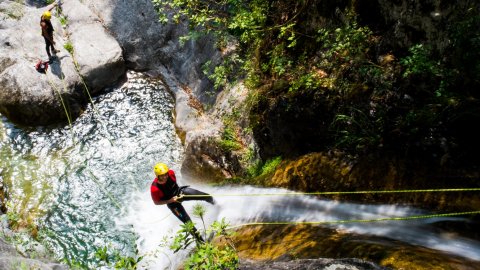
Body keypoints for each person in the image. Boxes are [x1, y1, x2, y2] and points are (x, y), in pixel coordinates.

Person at [150, 162, 215, 242]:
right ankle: (202, 242)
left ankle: (217, 206)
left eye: (165, 174)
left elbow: (173, 184)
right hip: (172, 204)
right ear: (157, 176)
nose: (165, 177)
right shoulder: (155, 189)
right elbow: (156, 202)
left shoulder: (171, 173)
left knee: (205, 196)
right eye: (162, 175)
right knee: (187, 222)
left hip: (180, 193)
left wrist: (179, 196)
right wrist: (170, 200)